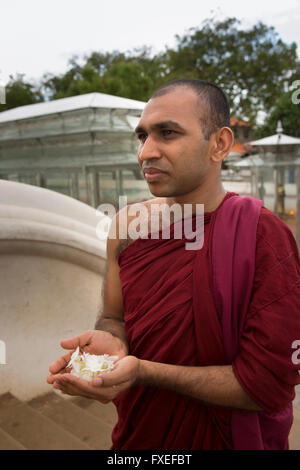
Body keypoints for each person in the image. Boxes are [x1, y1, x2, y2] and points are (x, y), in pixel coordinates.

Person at [47, 79, 300, 450]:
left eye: (167, 133)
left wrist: (145, 372)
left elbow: (266, 385)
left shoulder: (263, 235)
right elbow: (114, 316)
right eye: (142, 136)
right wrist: (111, 342)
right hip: (139, 435)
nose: (146, 152)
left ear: (219, 144)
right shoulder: (126, 226)